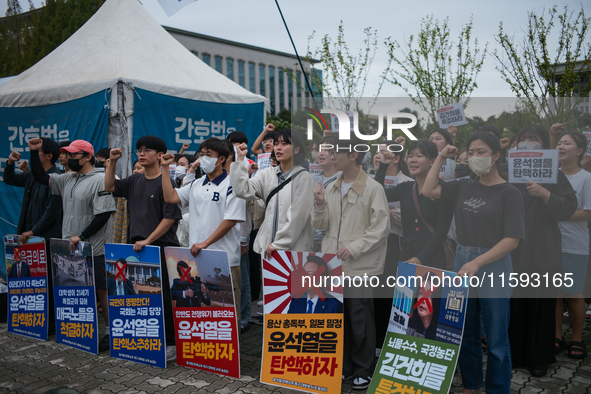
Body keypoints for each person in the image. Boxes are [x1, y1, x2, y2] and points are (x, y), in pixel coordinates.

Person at [422, 132, 526, 394]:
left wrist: (478, 262)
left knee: (496, 337)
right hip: (462, 259)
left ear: (496, 156)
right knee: (464, 330)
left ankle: (497, 388)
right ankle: (471, 384)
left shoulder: (510, 192)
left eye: (481, 152)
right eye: (471, 152)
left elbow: (512, 239)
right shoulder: (463, 185)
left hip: (493, 264)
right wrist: (441, 157)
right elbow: (427, 189)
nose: (475, 157)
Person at [312, 135, 390, 390]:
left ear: (354, 155)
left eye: (335, 153)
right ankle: (344, 366)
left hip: (360, 266)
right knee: (337, 317)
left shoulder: (373, 188)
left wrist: (354, 247)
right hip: (332, 266)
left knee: (360, 318)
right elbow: (320, 226)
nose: (331, 157)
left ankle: (364, 369)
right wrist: (320, 204)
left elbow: (380, 229)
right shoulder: (331, 185)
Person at [28, 137, 116, 352]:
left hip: (94, 246)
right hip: (72, 246)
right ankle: (78, 329)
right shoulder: (68, 179)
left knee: (102, 290)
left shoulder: (101, 179)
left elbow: (103, 214)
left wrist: (83, 236)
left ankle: (110, 333)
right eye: (68, 154)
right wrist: (33, 152)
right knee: (76, 288)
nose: (68, 157)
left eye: (74, 154)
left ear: (88, 157)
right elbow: (40, 177)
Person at [104, 136, 182, 361]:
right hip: (137, 247)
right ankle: (150, 339)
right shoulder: (134, 180)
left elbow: (170, 218)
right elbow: (109, 186)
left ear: (160, 155)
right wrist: (112, 162)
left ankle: (170, 343)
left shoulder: (165, 182)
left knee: (164, 299)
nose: (141, 153)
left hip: (160, 246)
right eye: (139, 150)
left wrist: (149, 240)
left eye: (147, 150)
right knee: (142, 296)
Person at [508, 125, 577, 377]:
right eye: (523, 139)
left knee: (542, 306)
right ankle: (515, 354)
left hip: (543, 249)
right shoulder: (508, 173)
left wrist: (545, 193)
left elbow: (569, 208)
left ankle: (539, 358)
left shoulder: (554, 174)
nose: (527, 143)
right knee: (516, 304)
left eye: (534, 139)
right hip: (514, 249)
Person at [161, 137, 245, 326]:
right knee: (200, 311)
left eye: (209, 155)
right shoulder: (196, 184)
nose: (204, 158)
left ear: (221, 159)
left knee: (227, 311)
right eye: (202, 154)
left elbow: (231, 219)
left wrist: (205, 243)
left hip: (224, 259)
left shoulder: (233, 184)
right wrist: (165, 168)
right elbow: (170, 197)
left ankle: (231, 354)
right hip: (196, 258)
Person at [4, 138, 63, 332]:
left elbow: (52, 212)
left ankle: (52, 323)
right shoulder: (32, 177)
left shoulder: (56, 178)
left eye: (38, 153)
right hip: (28, 238)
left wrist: (34, 231)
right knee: (31, 281)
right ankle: (33, 318)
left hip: (44, 239)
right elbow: (9, 179)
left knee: (48, 280)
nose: (34, 157)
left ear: (48, 156)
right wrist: (10, 163)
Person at [231, 129, 314, 260]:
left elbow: (297, 217)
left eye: (285, 144)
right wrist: (240, 159)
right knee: (269, 281)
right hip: (269, 250)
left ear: (296, 149)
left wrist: (279, 244)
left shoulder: (304, 177)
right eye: (276, 144)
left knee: (292, 281)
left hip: (293, 251)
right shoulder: (267, 173)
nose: (278, 148)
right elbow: (242, 190)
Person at [376, 140, 453, 269]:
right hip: (407, 256)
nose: (413, 160)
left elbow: (441, 230)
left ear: (432, 161)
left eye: (419, 156)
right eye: (410, 156)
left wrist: (421, 258)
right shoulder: (406, 188)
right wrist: (383, 165)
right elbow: (378, 194)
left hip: (432, 257)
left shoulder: (443, 189)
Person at [554, 132, 591, 359]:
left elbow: (588, 213)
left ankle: (576, 337)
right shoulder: (551, 175)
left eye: (567, 143)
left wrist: (557, 211)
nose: (560, 146)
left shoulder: (586, 178)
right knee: (555, 293)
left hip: (574, 245)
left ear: (579, 151)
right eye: (558, 142)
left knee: (575, 294)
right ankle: (556, 335)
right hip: (550, 244)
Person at [312, 136, 341, 252]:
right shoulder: (313, 178)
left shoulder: (341, 180)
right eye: (320, 150)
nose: (321, 154)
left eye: (326, 150)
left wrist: (320, 237)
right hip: (311, 240)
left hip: (332, 241)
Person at [405, 272, 442, 340]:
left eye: (429, 295)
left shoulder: (441, 333)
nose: (423, 300)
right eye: (421, 293)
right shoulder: (407, 324)